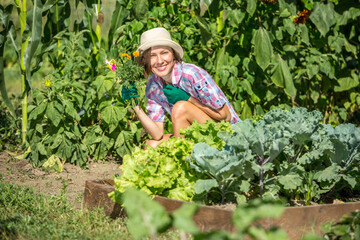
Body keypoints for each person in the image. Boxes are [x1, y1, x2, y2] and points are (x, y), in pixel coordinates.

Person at [122, 27, 240, 148]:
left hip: (227, 134)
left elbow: (225, 116)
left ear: (173, 54)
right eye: (152, 55)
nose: (159, 61)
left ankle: (184, 160)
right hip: (198, 131)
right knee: (151, 145)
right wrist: (136, 106)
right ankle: (185, 156)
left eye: (164, 53)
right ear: (146, 61)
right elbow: (157, 134)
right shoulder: (154, 84)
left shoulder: (192, 74)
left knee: (180, 108)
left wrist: (188, 99)